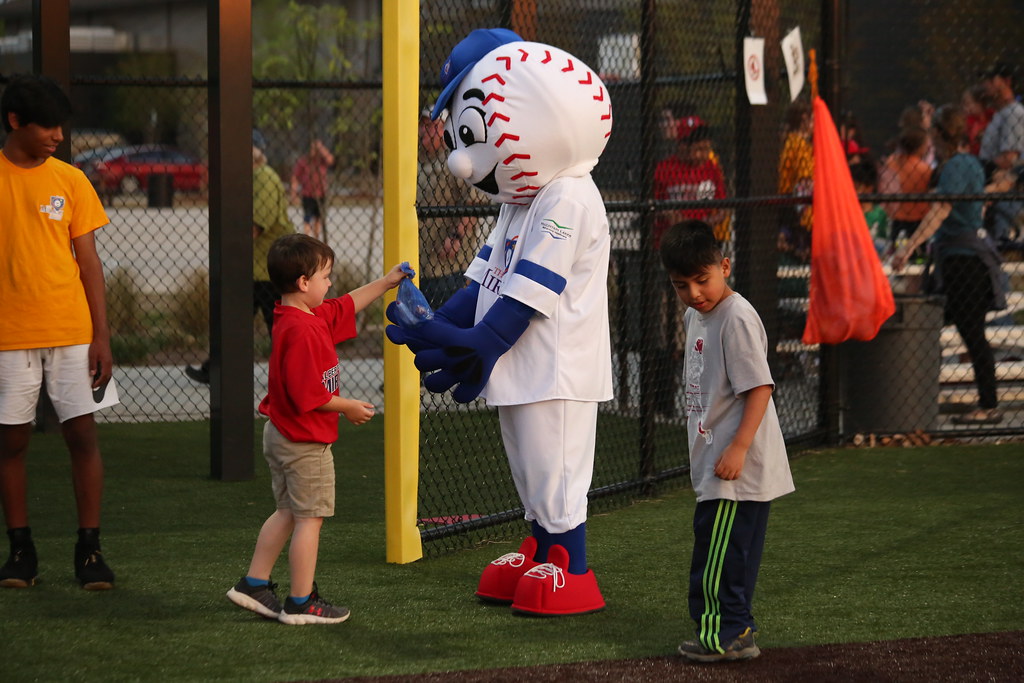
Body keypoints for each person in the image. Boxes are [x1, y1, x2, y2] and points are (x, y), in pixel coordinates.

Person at [387, 29, 613, 616]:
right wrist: (439, 323)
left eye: (470, 132)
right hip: (523, 364)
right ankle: (539, 543)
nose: (462, 158)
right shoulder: (521, 200)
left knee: (556, 466)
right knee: (528, 465)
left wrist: (480, 343)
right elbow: (485, 281)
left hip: (558, 367)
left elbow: (533, 292)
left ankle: (572, 564)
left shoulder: (567, 196)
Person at [227, 233, 408, 624]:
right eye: (325, 276)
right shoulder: (303, 330)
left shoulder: (301, 315)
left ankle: (254, 583)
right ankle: (300, 601)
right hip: (303, 442)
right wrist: (348, 407)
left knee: (288, 512)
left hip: (283, 434)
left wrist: (385, 282)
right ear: (303, 283)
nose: (331, 284)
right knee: (310, 519)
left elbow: (345, 306)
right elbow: (309, 394)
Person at [658, 220, 795, 663]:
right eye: (682, 285)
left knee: (717, 556)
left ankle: (722, 634)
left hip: (734, 464)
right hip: (719, 460)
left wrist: (737, 448)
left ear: (725, 266)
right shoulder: (696, 314)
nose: (695, 292)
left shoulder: (736, 316)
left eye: (703, 279)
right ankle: (737, 630)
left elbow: (759, 387)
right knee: (731, 552)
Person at [0, 74, 117, 589]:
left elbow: (89, 263)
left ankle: (89, 550)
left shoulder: (71, 180)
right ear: (14, 121)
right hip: (8, 337)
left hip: (73, 333)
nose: (58, 134)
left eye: (61, 125)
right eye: (47, 125)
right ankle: (20, 550)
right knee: (10, 445)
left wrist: (102, 336)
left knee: (83, 437)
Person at [892, 104, 1006, 425]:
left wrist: (909, 247)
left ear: (939, 135)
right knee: (934, 326)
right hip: (966, 259)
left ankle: (988, 405)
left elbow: (941, 209)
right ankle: (914, 400)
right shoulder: (970, 162)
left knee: (968, 333)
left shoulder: (955, 166)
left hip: (964, 263)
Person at [185, 143, 296, 384]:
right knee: (235, 321)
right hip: (254, 269)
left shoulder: (264, 179)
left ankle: (296, 375)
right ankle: (215, 370)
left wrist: (226, 243)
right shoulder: (250, 179)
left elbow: (254, 226)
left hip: (271, 269)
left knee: (280, 327)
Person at [417, 109, 483, 308]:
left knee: (446, 317)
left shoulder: (456, 160)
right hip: (420, 261)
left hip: (448, 263)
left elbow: (474, 203)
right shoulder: (416, 160)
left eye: (432, 126)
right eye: (423, 125)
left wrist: (455, 237)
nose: (424, 131)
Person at [978, 63, 1024, 244]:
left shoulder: (1014, 113)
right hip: (999, 197)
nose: (985, 85)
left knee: (1006, 249)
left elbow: (1009, 159)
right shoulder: (1001, 114)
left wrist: (977, 166)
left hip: (1008, 200)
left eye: (991, 80)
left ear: (1006, 82)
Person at [880, 126, 932, 254]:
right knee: (918, 258)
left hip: (896, 220)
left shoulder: (891, 163)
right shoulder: (924, 169)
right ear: (920, 147)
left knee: (895, 256)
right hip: (919, 222)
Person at [777, 100, 814, 262]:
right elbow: (805, 179)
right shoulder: (797, 143)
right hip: (793, 202)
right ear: (805, 118)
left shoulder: (793, 141)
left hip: (789, 200)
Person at [290, 138, 335, 240]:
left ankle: (316, 239)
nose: (313, 151)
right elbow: (295, 177)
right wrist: (293, 193)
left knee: (318, 219)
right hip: (308, 194)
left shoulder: (322, 161)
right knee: (307, 218)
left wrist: (321, 148)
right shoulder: (303, 161)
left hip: (321, 194)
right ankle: (307, 239)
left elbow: (331, 160)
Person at [850, 160, 890, 257]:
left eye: (855, 187)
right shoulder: (847, 213)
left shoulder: (880, 214)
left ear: (868, 188)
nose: (851, 190)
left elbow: (885, 243)